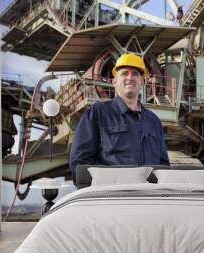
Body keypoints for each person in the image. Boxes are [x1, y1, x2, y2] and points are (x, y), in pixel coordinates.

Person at [69, 52, 170, 180]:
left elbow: (163, 164)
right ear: (115, 82)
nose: (130, 78)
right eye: (124, 73)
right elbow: (79, 162)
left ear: (142, 82)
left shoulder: (153, 121)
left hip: (149, 196)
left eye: (135, 74)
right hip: (113, 197)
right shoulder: (98, 113)